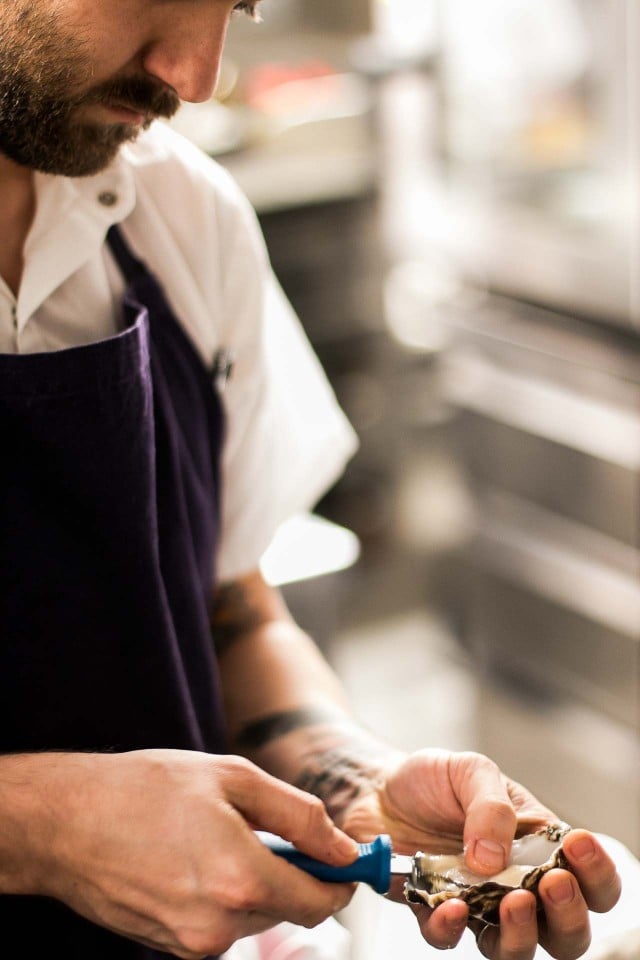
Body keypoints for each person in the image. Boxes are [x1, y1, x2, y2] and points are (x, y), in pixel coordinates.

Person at [0, 2, 621, 959]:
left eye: (234, 5)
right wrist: (39, 826)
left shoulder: (180, 213)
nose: (198, 75)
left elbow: (230, 612)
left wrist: (358, 789)